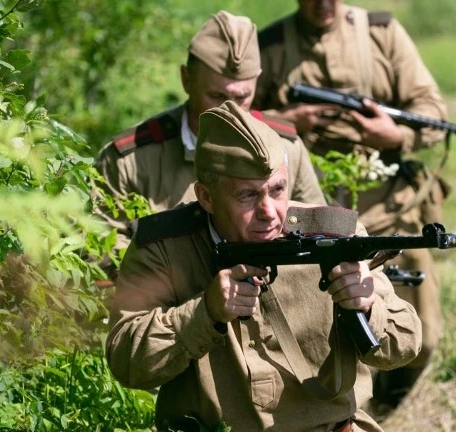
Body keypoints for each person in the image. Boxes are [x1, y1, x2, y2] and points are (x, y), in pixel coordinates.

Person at [106, 100, 422, 432]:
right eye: (247, 195)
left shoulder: (333, 233)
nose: (269, 212)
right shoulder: (164, 248)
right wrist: (204, 313)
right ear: (206, 196)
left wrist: (366, 307)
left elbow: (405, 344)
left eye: (278, 190)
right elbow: (126, 362)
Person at [253, 0, 449, 410]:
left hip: (390, 212)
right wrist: (286, 121)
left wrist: (393, 136)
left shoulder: (381, 34)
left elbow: (432, 111)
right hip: (310, 222)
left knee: (422, 337)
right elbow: (233, 120)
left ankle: (388, 410)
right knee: (325, 347)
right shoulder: (270, 46)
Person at [92, 11, 326, 280]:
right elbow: (98, 249)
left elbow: (317, 228)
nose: (230, 110)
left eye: (242, 97)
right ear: (186, 80)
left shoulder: (286, 148)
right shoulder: (130, 159)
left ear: (256, 85)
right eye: (216, 95)